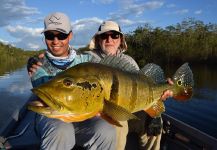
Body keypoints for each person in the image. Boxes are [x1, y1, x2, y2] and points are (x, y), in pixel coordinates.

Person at [27, 20, 173, 150]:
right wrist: (37, 60)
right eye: (104, 36)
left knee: (154, 123)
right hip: (114, 110)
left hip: (133, 105)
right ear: (98, 39)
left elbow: (144, 83)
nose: (109, 39)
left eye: (114, 35)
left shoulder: (129, 60)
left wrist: (164, 90)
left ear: (121, 39)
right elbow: (70, 59)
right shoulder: (91, 59)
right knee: (117, 125)